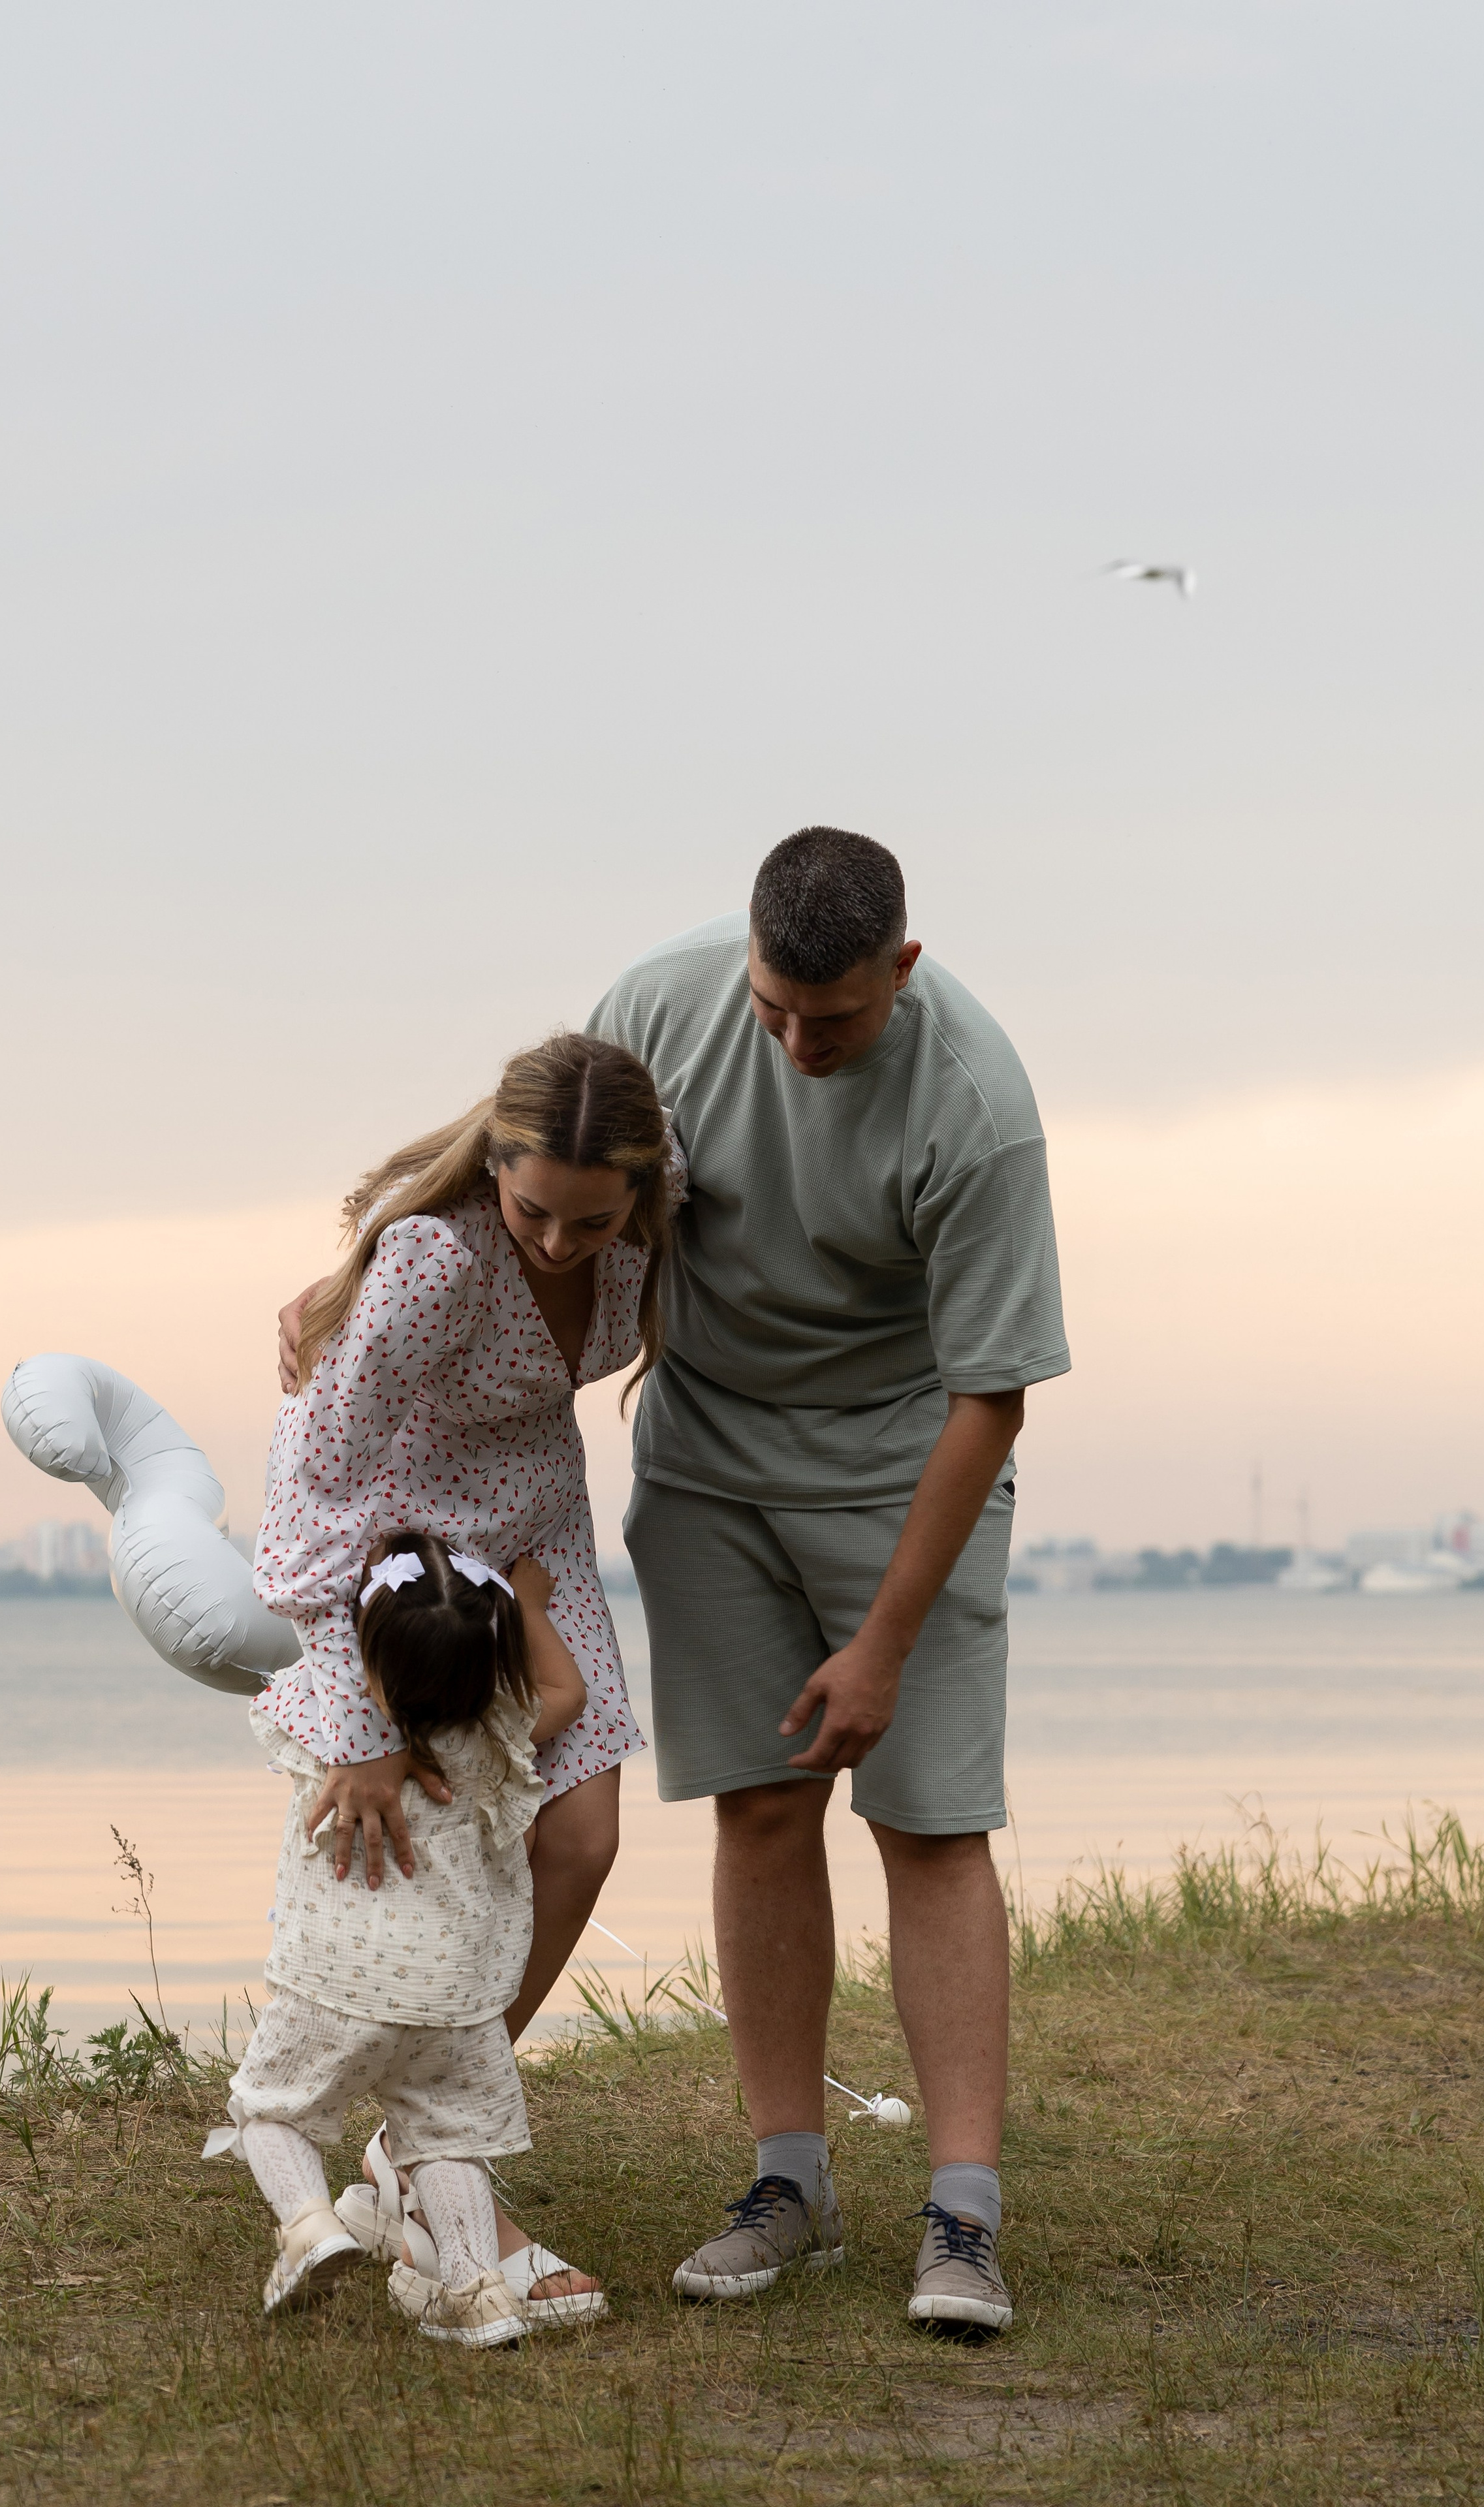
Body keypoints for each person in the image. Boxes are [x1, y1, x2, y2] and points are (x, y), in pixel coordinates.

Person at [588, 826, 1069, 2335]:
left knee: (929, 1824)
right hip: (706, 1454)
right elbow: (535, 1177)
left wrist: (880, 1642)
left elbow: (988, 1394)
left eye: (835, 1018)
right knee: (756, 1799)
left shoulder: (975, 1104)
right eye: (773, 1008)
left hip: (898, 1453)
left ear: (900, 971)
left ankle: (962, 2217)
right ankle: (784, 2184)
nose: (797, 1043)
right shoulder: (657, 1009)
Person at [262, 1030, 681, 2312]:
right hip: (415, 1578)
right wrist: (357, 1722)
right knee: (441, 1870)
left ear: (640, 1194)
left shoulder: (652, 1227)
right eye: (532, 1212)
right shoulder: (433, 1263)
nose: (558, 1246)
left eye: (591, 1220)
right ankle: (449, 2191)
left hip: (539, 1550)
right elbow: (308, 1485)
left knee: (583, 1836)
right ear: (493, 1170)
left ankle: (408, 2148)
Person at [215, 1529, 587, 2344]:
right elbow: (570, 1690)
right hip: (458, 2006)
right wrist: (526, 1606)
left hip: (335, 1989)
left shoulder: (328, 1731)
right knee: (445, 2141)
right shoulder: (500, 1731)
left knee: (270, 2113)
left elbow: (284, 1657)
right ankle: (474, 2290)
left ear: (367, 1665)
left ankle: (310, 2228)